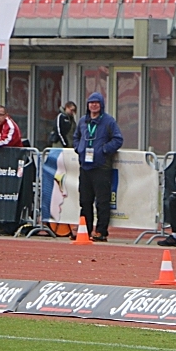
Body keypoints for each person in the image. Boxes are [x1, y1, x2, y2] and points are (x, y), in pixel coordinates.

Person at [73, 92, 123, 242]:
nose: (94, 105)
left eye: (97, 102)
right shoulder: (83, 121)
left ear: (101, 105)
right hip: (85, 166)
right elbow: (76, 137)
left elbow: (118, 139)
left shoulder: (108, 121)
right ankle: (85, 229)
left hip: (101, 166)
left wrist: (104, 150)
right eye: (91, 102)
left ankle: (101, 231)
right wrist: (79, 148)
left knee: (102, 201)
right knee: (85, 201)